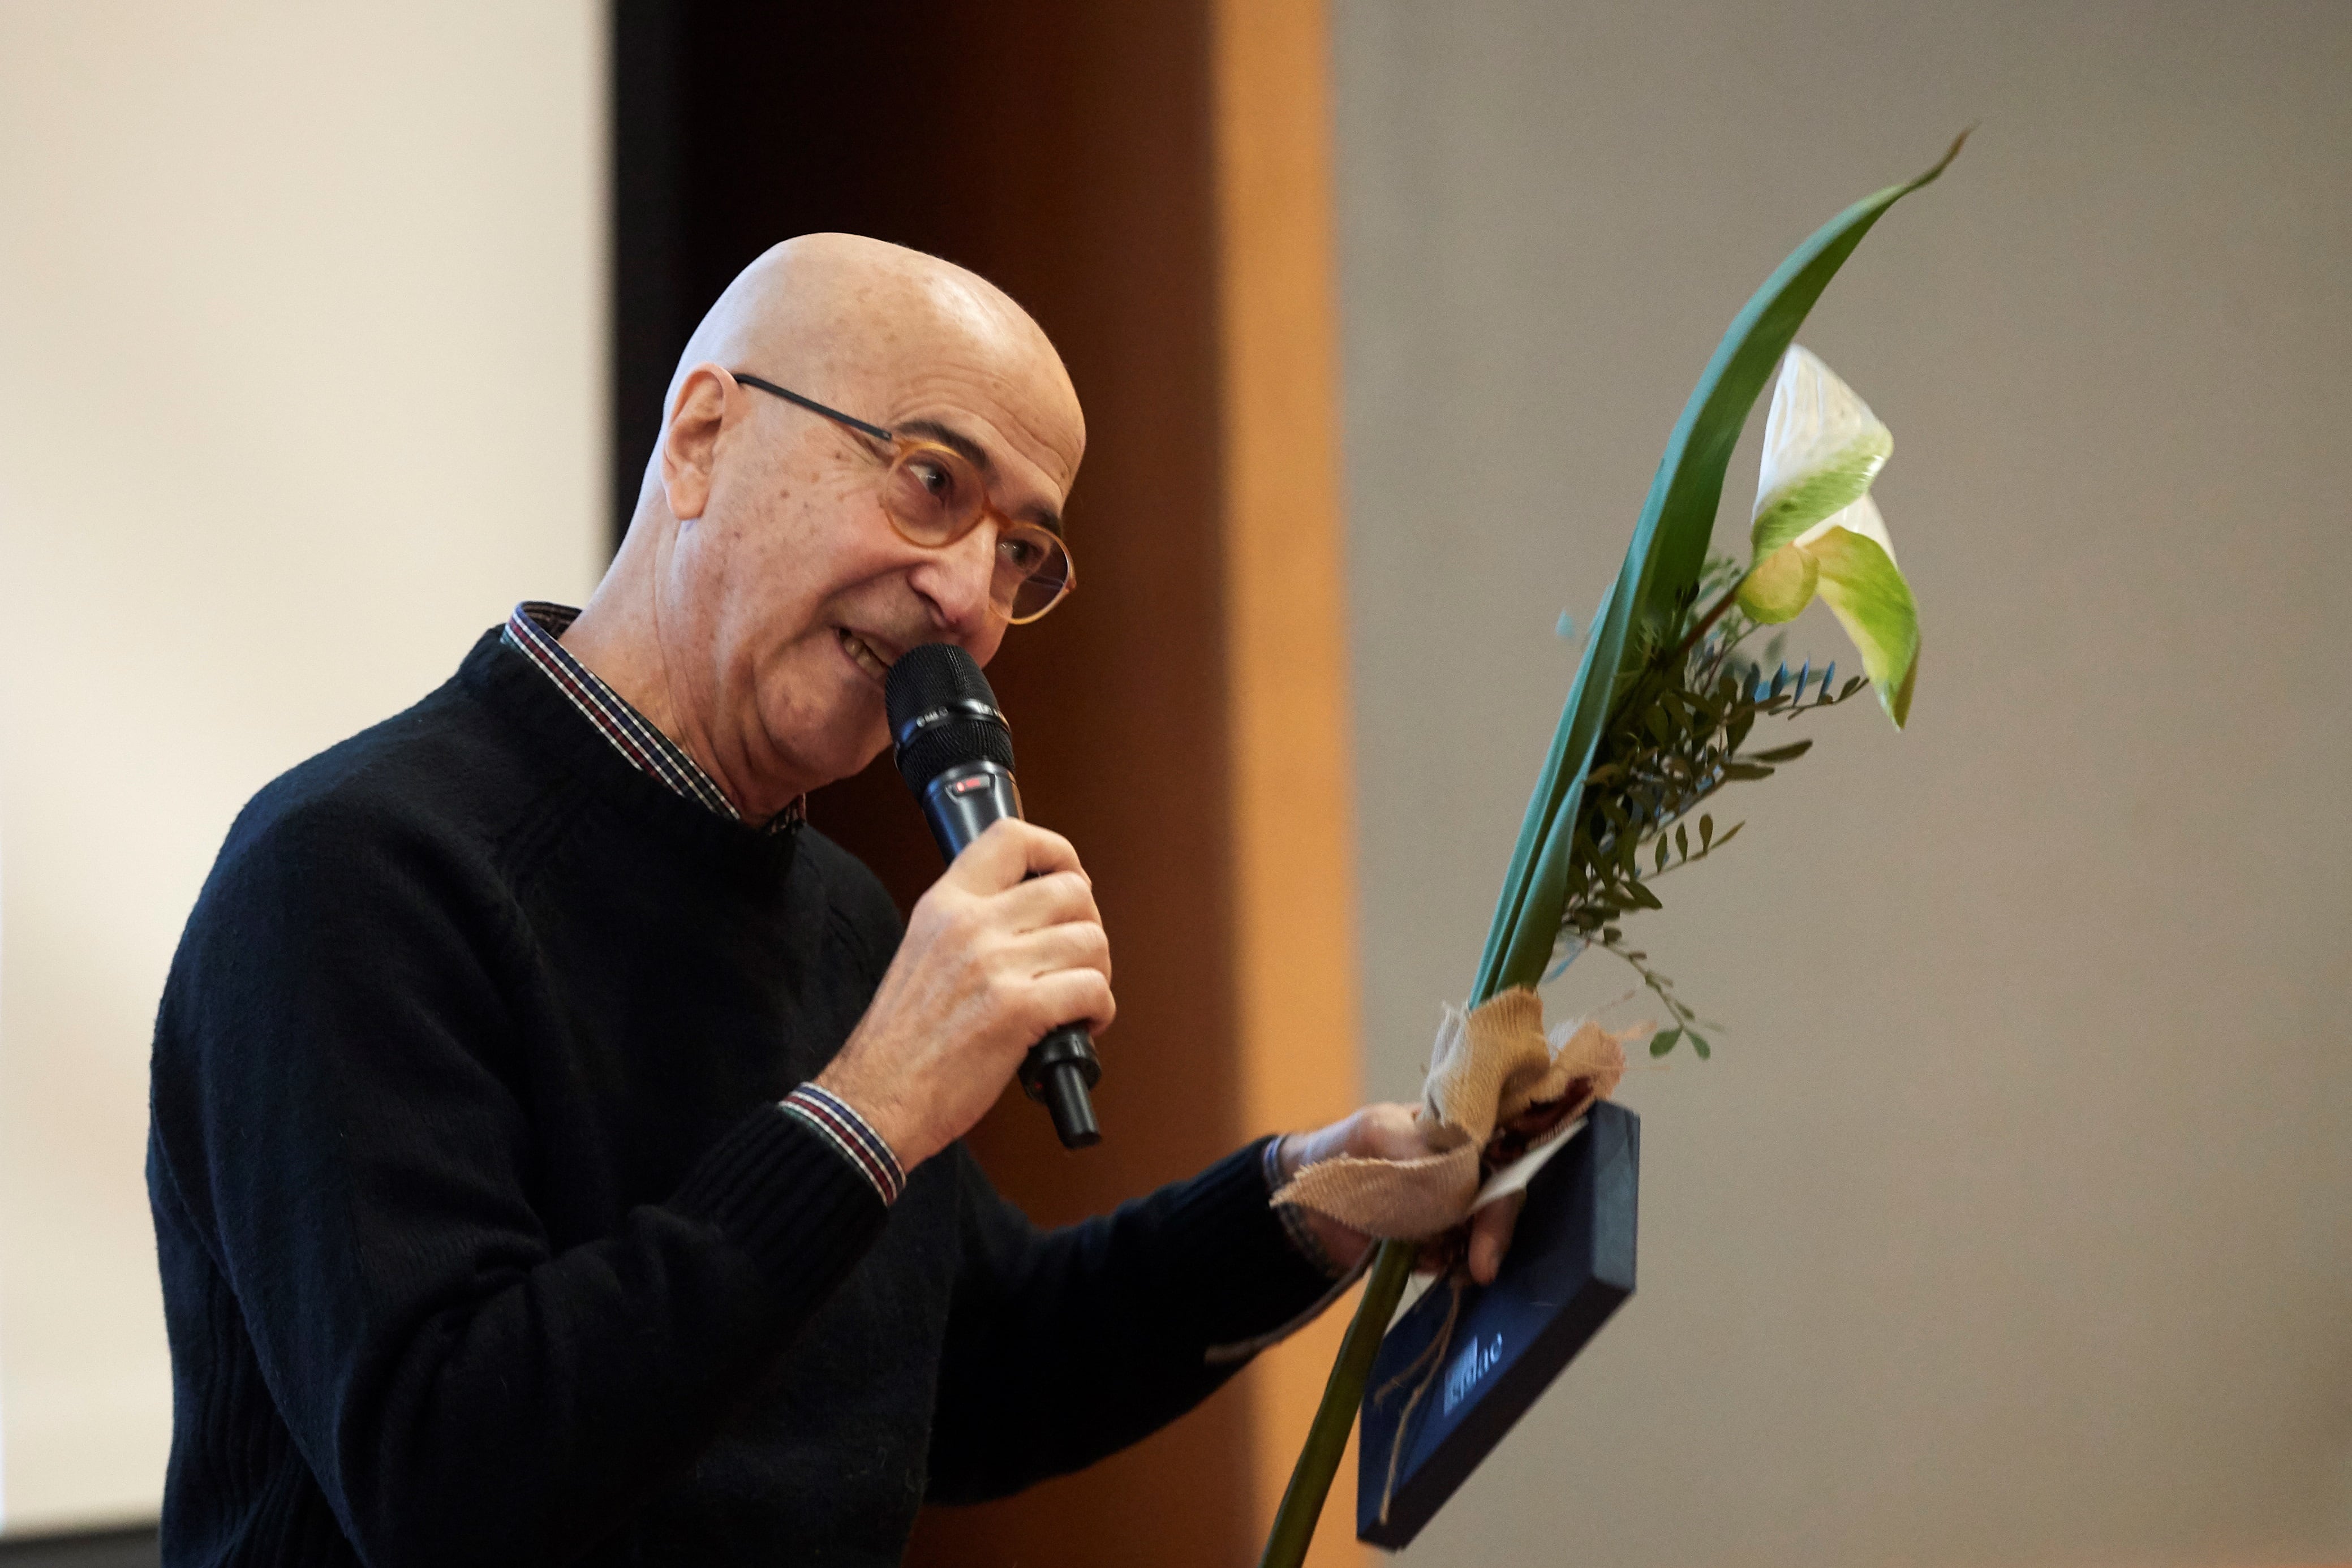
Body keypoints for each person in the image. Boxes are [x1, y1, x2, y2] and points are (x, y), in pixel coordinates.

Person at [146, 234, 1517, 1567]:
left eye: (1023, 552)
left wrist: (1319, 1197)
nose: (969, 599)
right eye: (930, 481)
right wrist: (869, 1107)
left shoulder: (846, 917)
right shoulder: (351, 872)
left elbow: (970, 1372)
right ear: (701, 438)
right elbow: (443, 1483)